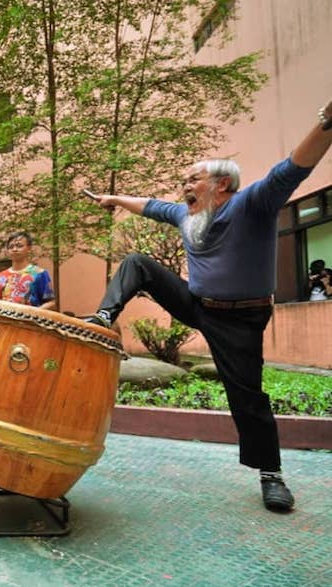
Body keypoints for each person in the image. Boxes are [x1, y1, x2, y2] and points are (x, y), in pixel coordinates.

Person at [84, 97, 332, 513]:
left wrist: (326, 122)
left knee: (247, 397)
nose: (184, 187)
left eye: (193, 179)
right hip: (197, 303)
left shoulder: (253, 203)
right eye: (184, 180)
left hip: (241, 319)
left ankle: (271, 475)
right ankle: (105, 315)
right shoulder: (186, 216)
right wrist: (113, 198)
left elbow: (294, 167)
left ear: (222, 184)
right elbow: (149, 205)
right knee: (138, 264)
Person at [0, 231, 56, 309]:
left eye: (19, 246)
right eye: (11, 247)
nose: (14, 249)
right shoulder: (1, 276)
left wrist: (33, 313)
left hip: (31, 320)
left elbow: (51, 303)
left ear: (29, 248)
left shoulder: (39, 273)